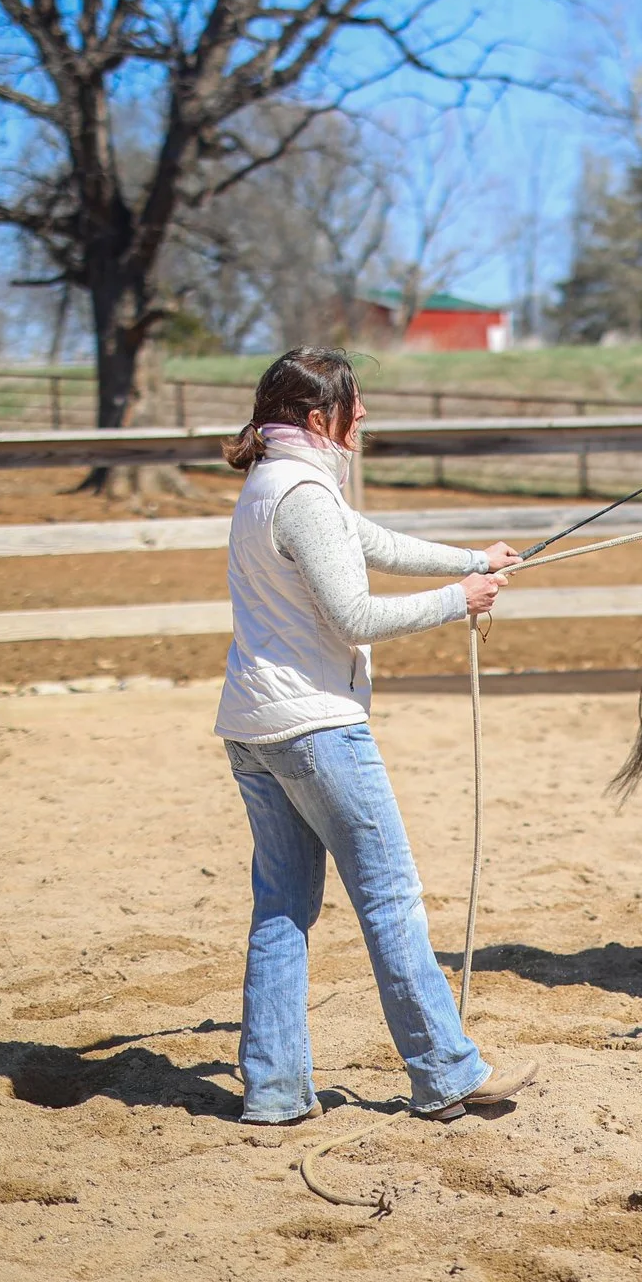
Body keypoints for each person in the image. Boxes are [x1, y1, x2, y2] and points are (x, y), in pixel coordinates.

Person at [214, 346, 536, 1124]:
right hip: (317, 727)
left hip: (255, 727)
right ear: (321, 417)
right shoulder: (304, 494)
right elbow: (355, 616)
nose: (364, 418)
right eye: (355, 407)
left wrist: (474, 559)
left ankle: (277, 1091)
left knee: (283, 907)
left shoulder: (276, 482)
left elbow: (377, 544)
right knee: (390, 896)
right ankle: (446, 1072)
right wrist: (459, 597)